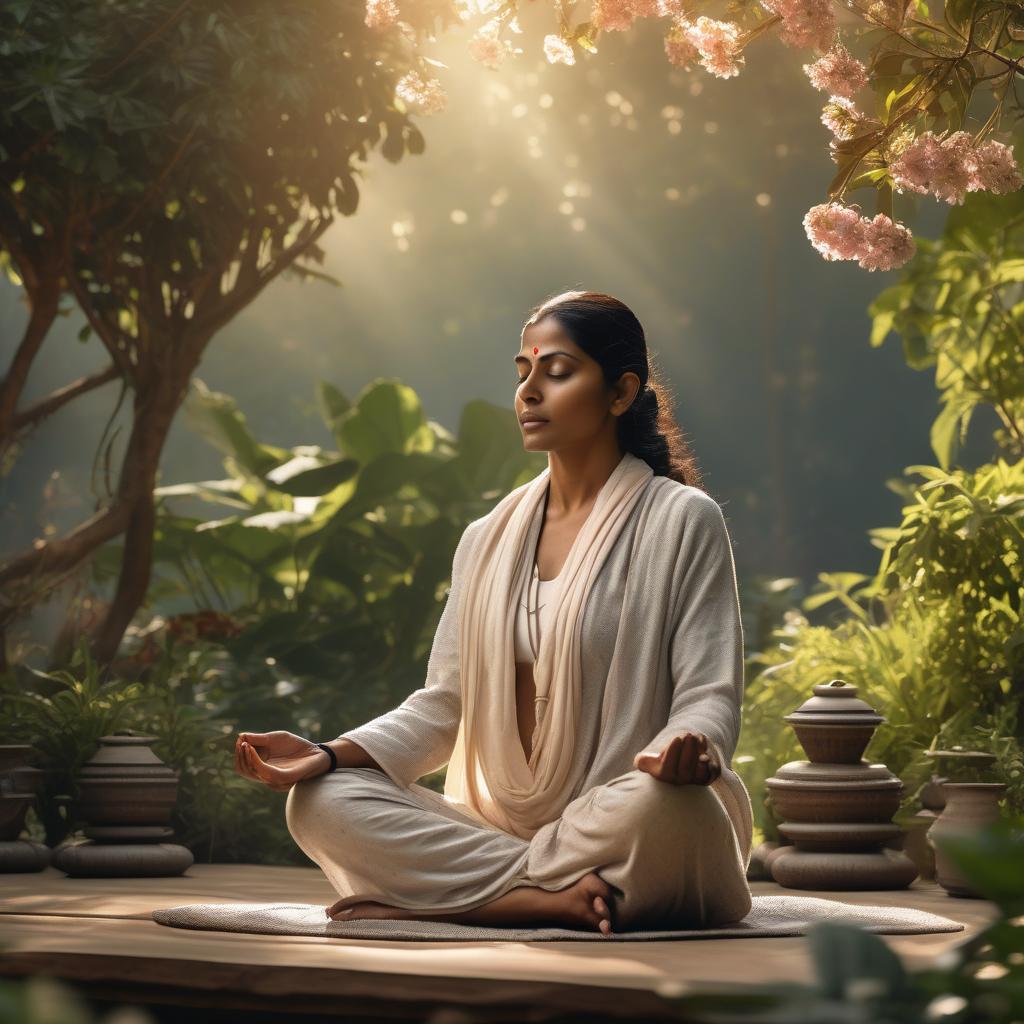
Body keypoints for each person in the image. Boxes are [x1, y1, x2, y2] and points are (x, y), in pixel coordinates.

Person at [235, 290, 754, 936]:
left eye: (557, 372)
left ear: (620, 393)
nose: (529, 392)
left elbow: (711, 697)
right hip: (506, 825)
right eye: (523, 373)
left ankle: (471, 897)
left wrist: (693, 748)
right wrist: (328, 755)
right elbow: (441, 707)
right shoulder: (487, 538)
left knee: (677, 813)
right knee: (319, 803)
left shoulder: (681, 520)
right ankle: (541, 898)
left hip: (623, 815)